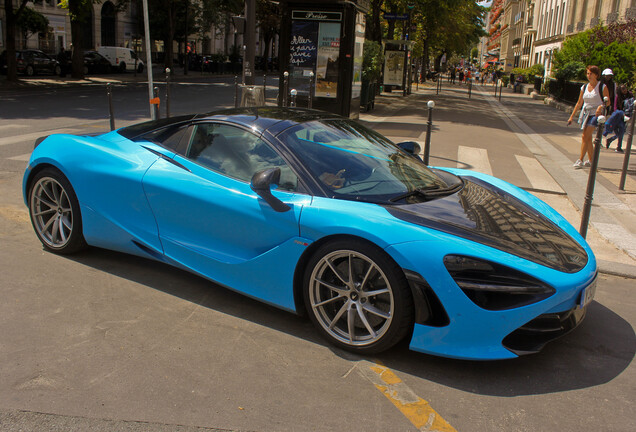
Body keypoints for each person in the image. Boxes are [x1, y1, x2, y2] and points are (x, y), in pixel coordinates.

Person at [567, 65, 610, 169]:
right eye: (587, 73)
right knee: (587, 137)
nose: (589, 76)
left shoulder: (602, 87)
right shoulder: (584, 87)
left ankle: (580, 159)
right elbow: (579, 103)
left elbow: (608, 101)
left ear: (596, 75)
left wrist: (600, 107)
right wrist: (571, 116)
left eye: (591, 73)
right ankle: (591, 160)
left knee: (585, 135)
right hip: (586, 113)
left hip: (596, 114)